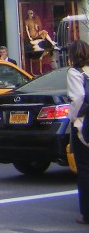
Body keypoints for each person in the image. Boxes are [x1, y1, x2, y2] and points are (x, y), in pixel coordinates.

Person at [68, 40, 89, 225]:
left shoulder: (75, 73)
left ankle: (86, 213)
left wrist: (71, 117)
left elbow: (78, 99)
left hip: (84, 126)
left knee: (84, 170)